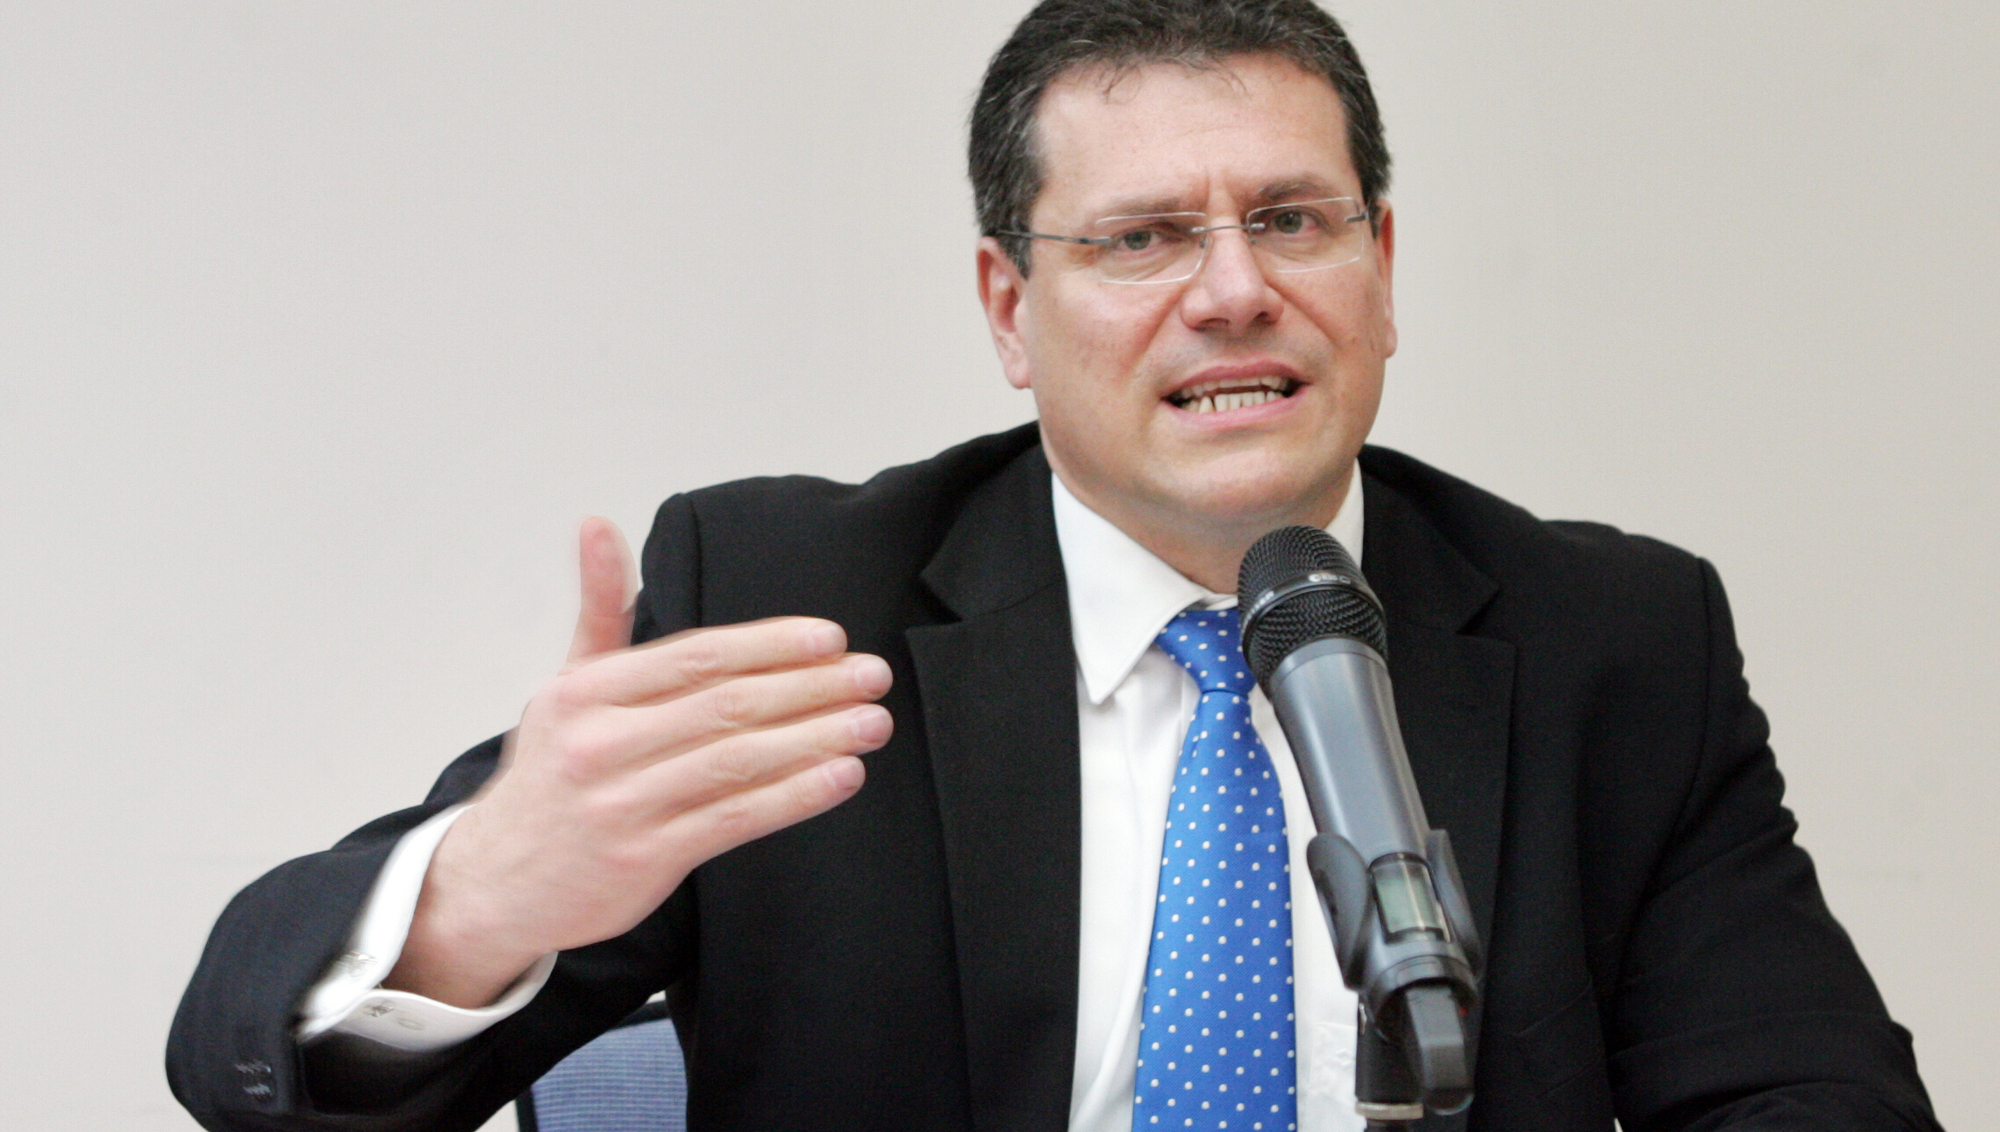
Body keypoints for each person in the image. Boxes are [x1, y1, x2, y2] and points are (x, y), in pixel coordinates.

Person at [168, 2, 1941, 1130]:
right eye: (1145, 237)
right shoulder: (793, 603)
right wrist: (482, 899)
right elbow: (245, 1060)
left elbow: (1812, 1095)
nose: (1234, 290)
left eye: (1291, 220)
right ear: (1011, 310)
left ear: (1384, 267)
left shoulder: (1613, 642)